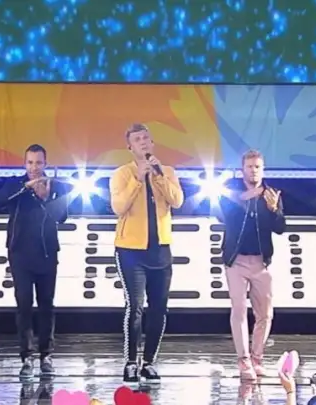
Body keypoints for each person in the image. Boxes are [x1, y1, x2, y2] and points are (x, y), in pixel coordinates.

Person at [109, 123, 184, 383]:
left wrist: (159, 176)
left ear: (152, 143)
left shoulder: (167, 172)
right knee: (135, 307)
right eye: (137, 139)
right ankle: (131, 361)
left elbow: (177, 201)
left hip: (160, 250)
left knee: (159, 309)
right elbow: (118, 207)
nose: (143, 142)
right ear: (130, 147)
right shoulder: (122, 174)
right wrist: (138, 180)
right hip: (131, 251)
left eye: (146, 138)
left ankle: (149, 362)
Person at [0, 144, 69, 377]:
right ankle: (27, 357)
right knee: (24, 305)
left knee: (46, 305)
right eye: (30, 163)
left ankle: (46, 355)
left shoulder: (56, 186)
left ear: (45, 164)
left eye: (38, 163)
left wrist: (46, 198)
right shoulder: (16, 184)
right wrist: (25, 188)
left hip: (47, 253)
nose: (34, 168)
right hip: (20, 254)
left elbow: (62, 217)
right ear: (24, 164)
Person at [214, 150, 286, 381]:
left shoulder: (271, 194)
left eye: (257, 167)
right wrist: (248, 196)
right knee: (239, 310)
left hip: (261, 262)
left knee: (265, 314)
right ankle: (243, 360)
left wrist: (273, 210)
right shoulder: (231, 191)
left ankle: (257, 358)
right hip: (236, 261)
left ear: (263, 170)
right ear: (242, 169)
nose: (254, 171)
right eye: (250, 167)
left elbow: (280, 228)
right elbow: (222, 215)